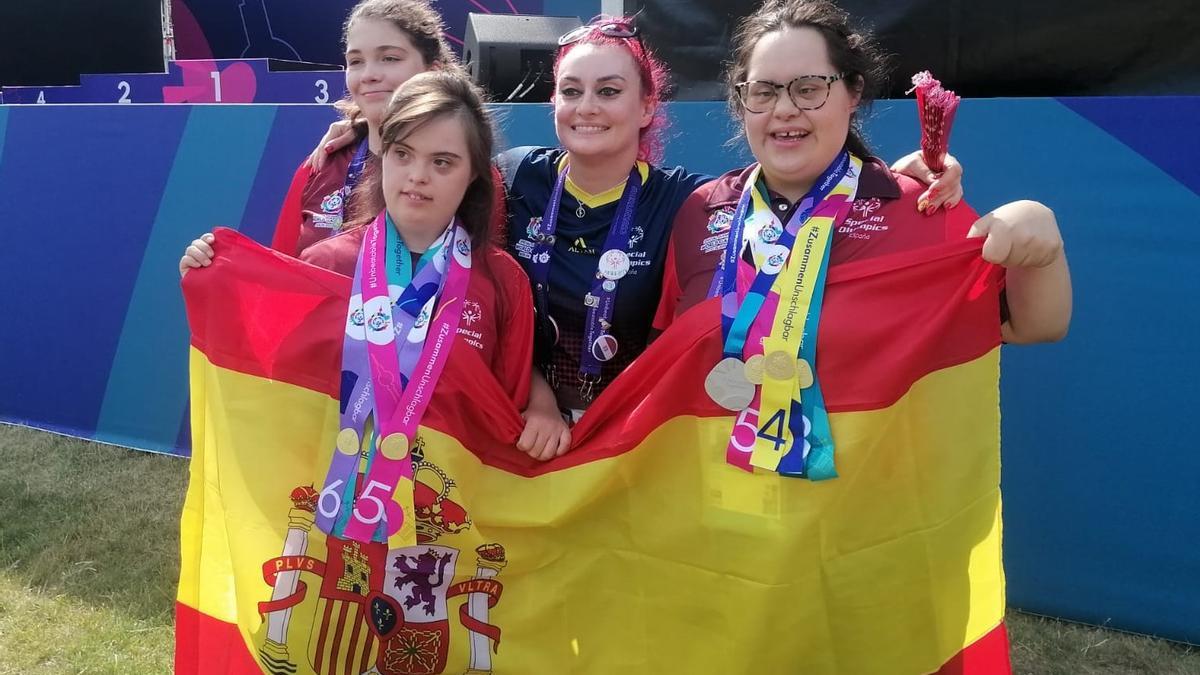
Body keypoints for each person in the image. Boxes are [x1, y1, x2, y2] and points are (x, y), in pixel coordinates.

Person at [660, 0, 1071, 345]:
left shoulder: (920, 205)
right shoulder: (701, 211)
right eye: (763, 91)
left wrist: (1041, 254)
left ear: (853, 93)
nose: (784, 109)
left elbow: (1033, 327)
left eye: (808, 88)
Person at [268, 0, 455, 257]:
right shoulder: (319, 167)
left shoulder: (467, 174)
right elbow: (279, 274)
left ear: (433, 71)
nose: (368, 74)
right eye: (356, 61)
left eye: (389, 58)